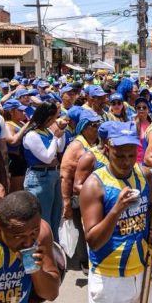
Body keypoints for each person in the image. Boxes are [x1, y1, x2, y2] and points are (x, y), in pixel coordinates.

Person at [79, 123, 152, 303]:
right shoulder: (95, 185)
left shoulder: (144, 175)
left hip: (143, 267)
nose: (126, 162)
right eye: (119, 155)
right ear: (107, 149)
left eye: (130, 155)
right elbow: (93, 239)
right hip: (110, 274)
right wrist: (116, 210)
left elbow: (150, 213)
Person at [60, 110, 103, 274]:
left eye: (98, 123)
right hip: (79, 196)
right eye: (94, 125)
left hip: (94, 195)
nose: (97, 127)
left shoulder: (95, 142)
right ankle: (86, 263)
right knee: (85, 228)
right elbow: (65, 176)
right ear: (84, 127)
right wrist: (66, 203)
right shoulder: (77, 146)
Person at [22, 101, 67, 243]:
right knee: (43, 219)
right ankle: (43, 250)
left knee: (55, 216)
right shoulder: (32, 135)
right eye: (53, 118)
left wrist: (61, 132)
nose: (55, 121)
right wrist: (55, 137)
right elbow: (47, 158)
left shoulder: (47, 131)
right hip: (40, 178)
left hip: (52, 175)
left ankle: (54, 249)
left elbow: (59, 149)